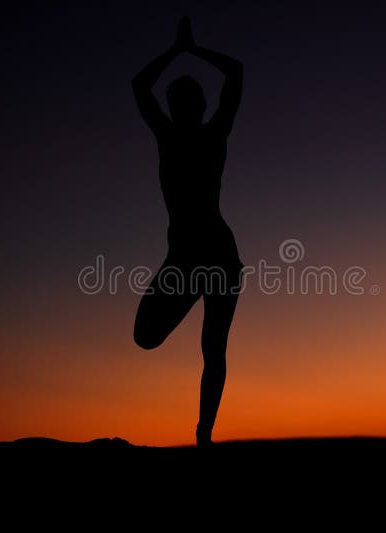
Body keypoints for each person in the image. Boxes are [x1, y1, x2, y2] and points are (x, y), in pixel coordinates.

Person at [131, 17, 244, 447]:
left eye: (185, 101)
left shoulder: (211, 135)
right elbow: (139, 87)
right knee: (145, 336)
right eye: (176, 102)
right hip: (186, 259)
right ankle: (204, 435)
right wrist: (183, 50)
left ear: (195, 106)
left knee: (213, 347)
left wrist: (185, 50)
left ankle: (203, 436)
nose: (179, 108)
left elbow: (235, 73)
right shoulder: (171, 136)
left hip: (215, 257)